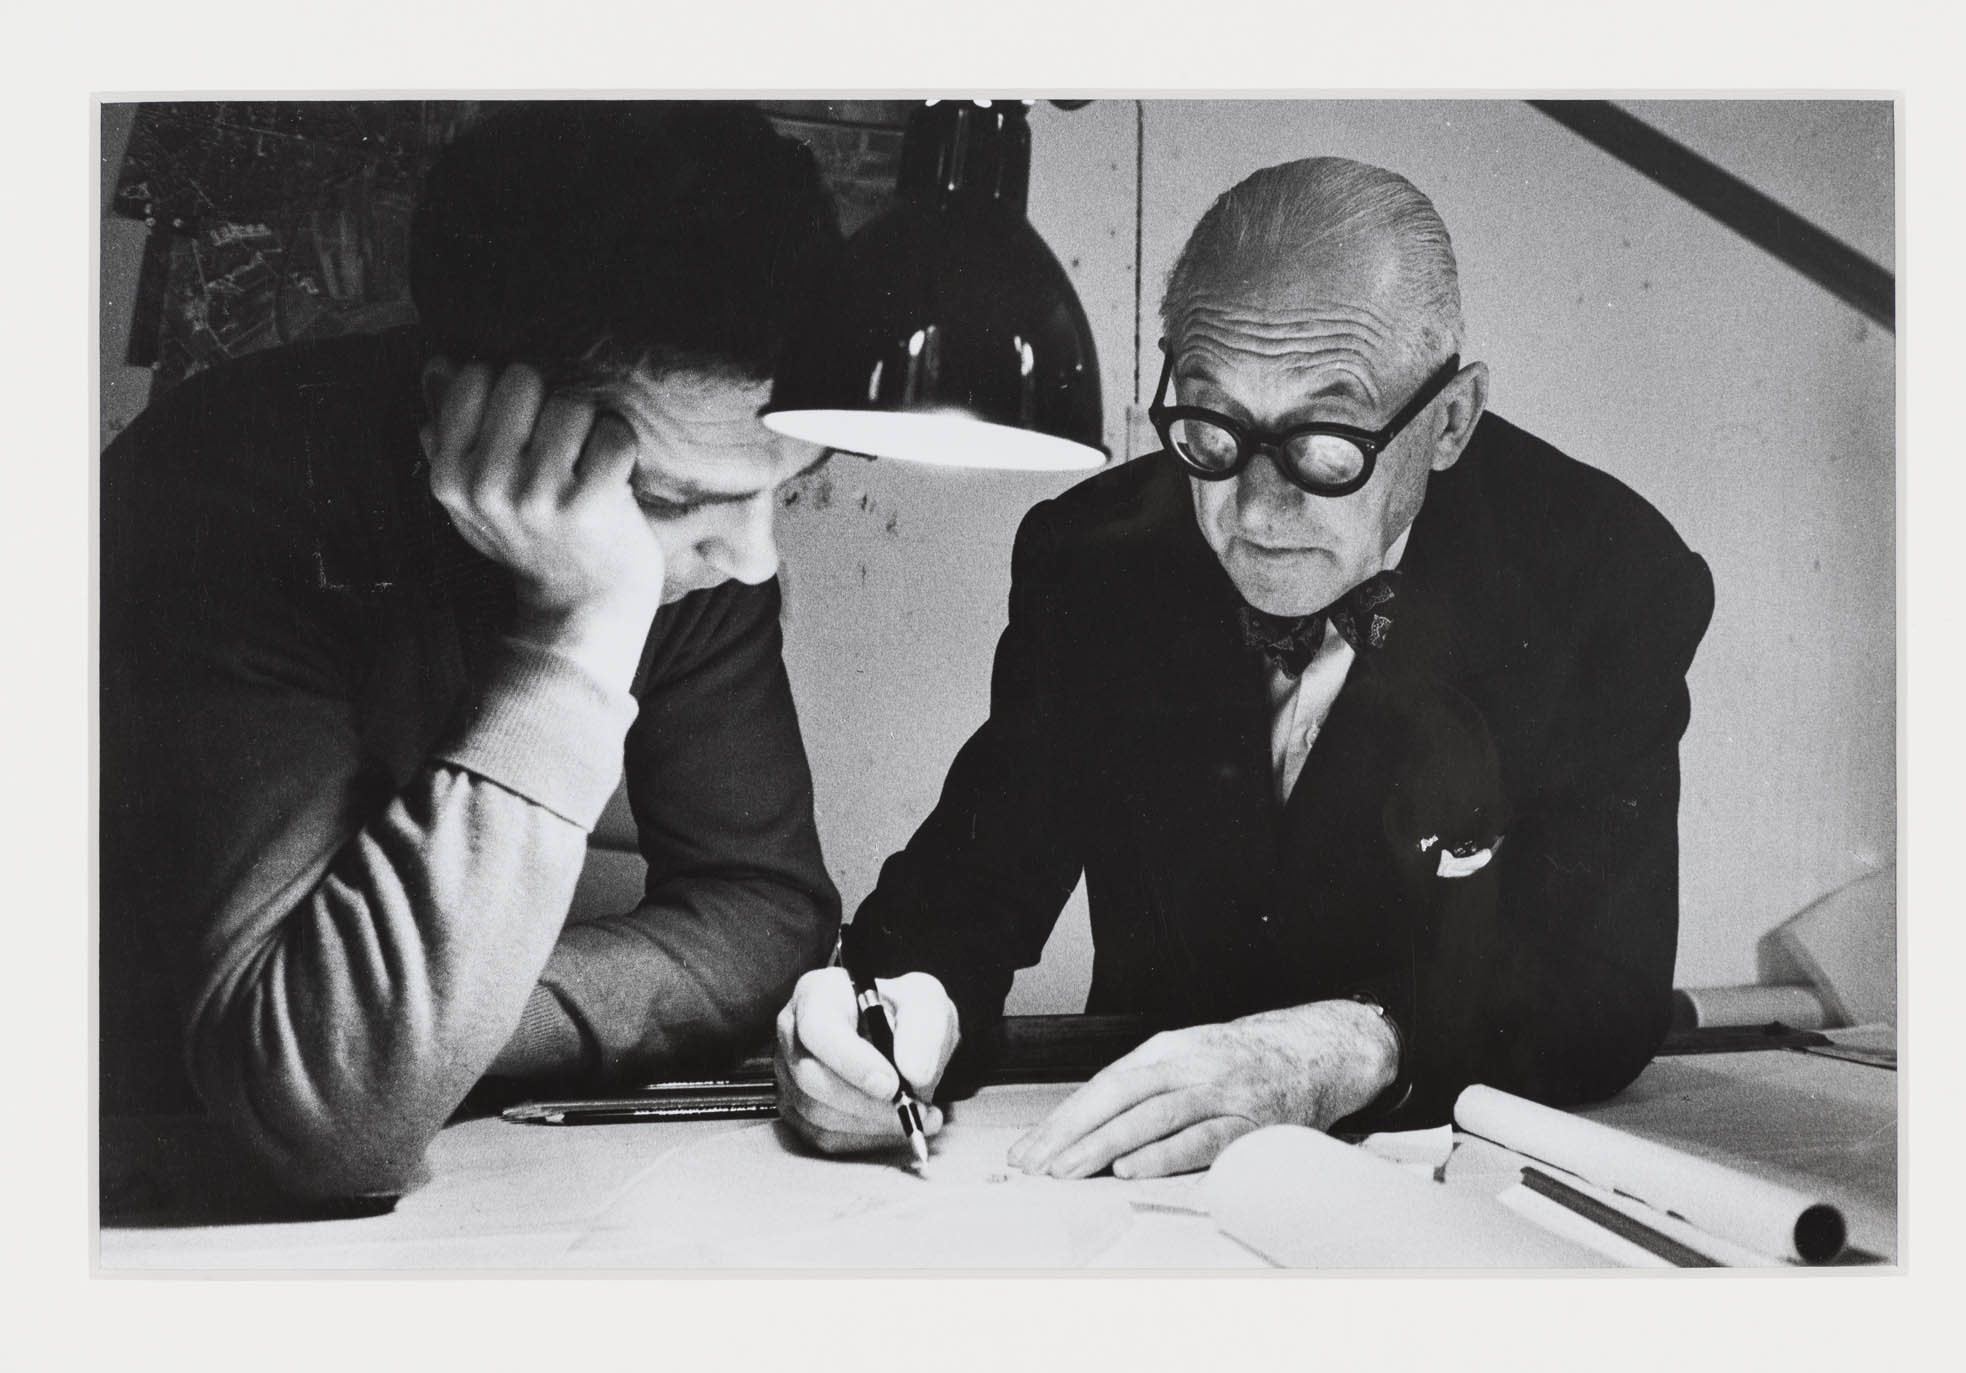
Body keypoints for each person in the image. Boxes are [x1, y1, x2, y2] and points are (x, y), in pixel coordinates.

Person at [776, 155, 1715, 1180]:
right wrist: (885, 1012)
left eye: (1323, 442)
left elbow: (1600, 983)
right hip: (1138, 1190)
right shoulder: (1093, 555)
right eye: (1210, 426)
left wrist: (1347, 1045)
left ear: (1447, 420)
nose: (1256, 512)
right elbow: (970, 885)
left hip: (1449, 1185)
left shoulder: (1604, 576)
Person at [100, 102, 845, 1200]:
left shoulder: (706, 544)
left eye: (789, 485)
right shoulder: (218, 495)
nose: (750, 555)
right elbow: (333, 1120)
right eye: (674, 498)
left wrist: (446, 1015)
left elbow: (766, 912)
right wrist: (576, 632)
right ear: (469, 410)